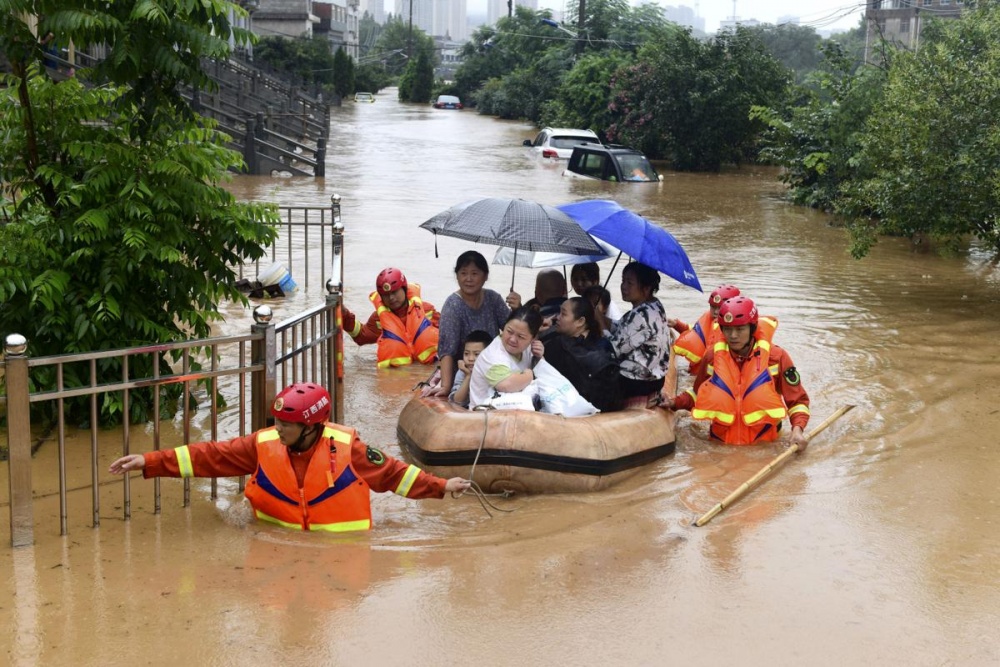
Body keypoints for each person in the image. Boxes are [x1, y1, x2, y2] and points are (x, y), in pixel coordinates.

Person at [109, 383, 471, 532]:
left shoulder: (349, 449)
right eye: (278, 422)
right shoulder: (263, 444)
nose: (279, 430)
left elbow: (394, 475)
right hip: (272, 538)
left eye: (287, 425)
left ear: (312, 426)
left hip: (341, 551)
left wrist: (442, 486)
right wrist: (150, 461)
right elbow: (210, 456)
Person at [663, 297, 811, 449]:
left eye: (740, 329)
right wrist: (674, 403)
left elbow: (797, 401)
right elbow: (697, 393)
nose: (733, 335)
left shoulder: (776, 358)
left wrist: (797, 430)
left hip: (764, 446)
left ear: (752, 329)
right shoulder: (712, 357)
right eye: (727, 329)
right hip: (720, 446)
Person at [424, 250, 518, 399]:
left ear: (485, 276)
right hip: (464, 370)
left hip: (493, 367)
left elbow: (514, 333)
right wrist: (446, 386)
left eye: (474, 274)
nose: (468, 279)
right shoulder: (453, 305)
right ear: (457, 276)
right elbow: (447, 350)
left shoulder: (493, 299)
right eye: (463, 273)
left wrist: (517, 309)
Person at [342, 267, 439, 369]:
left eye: (394, 292)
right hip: (400, 375)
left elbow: (449, 333)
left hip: (429, 369)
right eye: (386, 295)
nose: (391, 298)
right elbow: (360, 336)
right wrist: (344, 315)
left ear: (404, 288)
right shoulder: (378, 319)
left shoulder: (426, 310)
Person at [541, 297, 623, 412]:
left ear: (580, 321)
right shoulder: (605, 344)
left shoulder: (556, 344)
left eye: (563, 314)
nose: (557, 318)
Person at [608, 262, 672, 408]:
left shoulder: (641, 315)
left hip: (636, 381)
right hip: (654, 378)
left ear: (646, 288)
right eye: (623, 281)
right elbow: (624, 328)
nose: (623, 286)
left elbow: (613, 350)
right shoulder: (655, 305)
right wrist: (600, 319)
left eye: (629, 283)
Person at [469, 308, 544, 408]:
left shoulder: (529, 348)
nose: (513, 339)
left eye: (521, 336)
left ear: (533, 338)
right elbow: (507, 385)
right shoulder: (493, 355)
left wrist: (540, 356)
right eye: (509, 331)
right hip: (484, 417)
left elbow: (544, 373)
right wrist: (531, 375)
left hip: (513, 413)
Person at [671, 284, 741, 374]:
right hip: (696, 374)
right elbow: (696, 333)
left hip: (716, 377)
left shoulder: (736, 334)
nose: (715, 312)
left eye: (719, 308)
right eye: (713, 307)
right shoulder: (708, 319)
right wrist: (676, 324)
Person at [450, 330, 493, 408]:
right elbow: (457, 401)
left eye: (476, 354)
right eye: (466, 354)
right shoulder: (463, 371)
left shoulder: (494, 370)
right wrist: (468, 376)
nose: (470, 359)